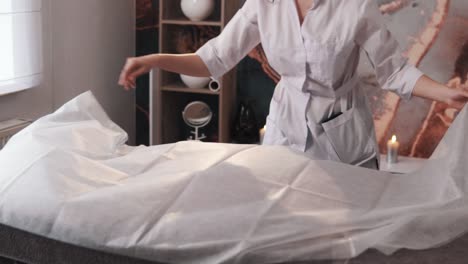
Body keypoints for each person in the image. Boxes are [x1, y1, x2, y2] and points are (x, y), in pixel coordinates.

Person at [119, 0, 468, 169]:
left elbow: (395, 72)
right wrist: (153, 60)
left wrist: (446, 93)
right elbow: (213, 59)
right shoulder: (264, 5)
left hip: (341, 134)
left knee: (340, 229)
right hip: (284, 129)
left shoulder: (355, 7)